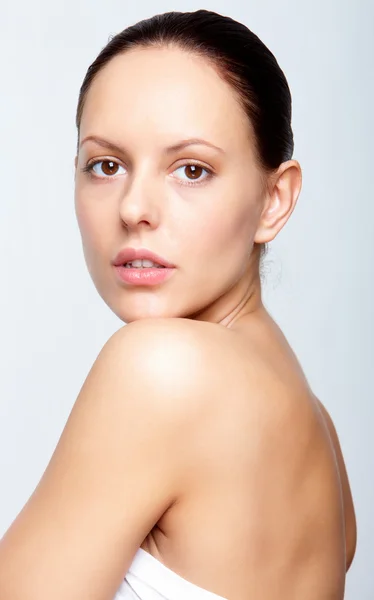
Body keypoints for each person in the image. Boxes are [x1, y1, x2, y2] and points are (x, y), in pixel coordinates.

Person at [0, 9, 356, 600]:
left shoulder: (160, 368)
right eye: (106, 165)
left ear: (274, 199)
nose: (135, 206)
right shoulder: (321, 433)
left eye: (191, 169)